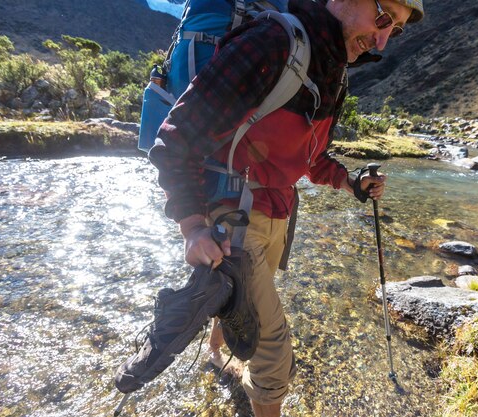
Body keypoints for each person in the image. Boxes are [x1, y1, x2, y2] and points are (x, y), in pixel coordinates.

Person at [148, 0, 424, 415]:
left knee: (240, 301)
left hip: (278, 209)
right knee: (274, 354)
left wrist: (351, 182)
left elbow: (310, 158)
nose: (382, 38)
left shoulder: (331, 68)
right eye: (383, 17)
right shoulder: (273, 44)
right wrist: (192, 227)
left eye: (396, 30)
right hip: (234, 214)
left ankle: (214, 351)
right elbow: (175, 141)